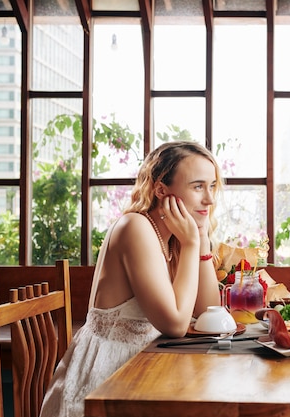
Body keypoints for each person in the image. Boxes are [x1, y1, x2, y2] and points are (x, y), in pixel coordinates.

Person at [40, 141, 223, 417]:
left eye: (212, 186)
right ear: (161, 190)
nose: (209, 199)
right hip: (103, 383)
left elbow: (208, 313)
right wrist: (190, 245)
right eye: (198, 187)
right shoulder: (135, 227)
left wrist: (202, 243)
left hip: (142, 372)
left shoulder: (172, 237)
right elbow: (175, 324)